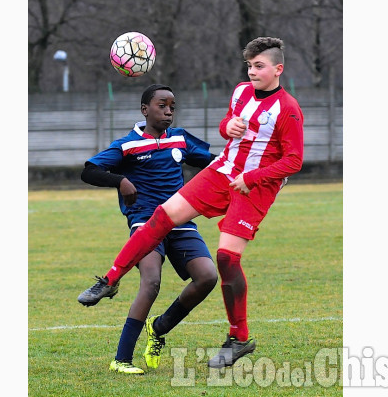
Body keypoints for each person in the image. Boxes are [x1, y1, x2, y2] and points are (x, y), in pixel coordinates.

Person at [77, 37, 304, 368]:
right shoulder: (241, 92)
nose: (252, 71)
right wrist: (230, 126)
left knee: (225, 259)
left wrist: (252, 178)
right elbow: (227, 127)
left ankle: (238, 338)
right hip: (222, 171)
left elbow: (294, 161)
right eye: (249, 66)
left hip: (253, 186)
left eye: (259, 66)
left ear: (277, 69)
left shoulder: (289, 109)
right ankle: (109, 280)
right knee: (161, 217)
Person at [77, 84, 218, 374]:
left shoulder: (179, 139)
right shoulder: (127, 145)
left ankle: (159, 327)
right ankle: (121, 359)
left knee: (207, 277)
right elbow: (89, 170)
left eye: (172, 107)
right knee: (151, 281)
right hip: (145, 222)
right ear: (145, 110)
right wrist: (120, 180)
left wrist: (256, 170)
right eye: (161, 106)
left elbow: (217, 162)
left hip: (180, 221)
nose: (168, 112)